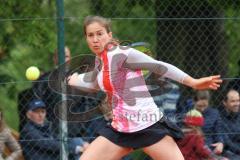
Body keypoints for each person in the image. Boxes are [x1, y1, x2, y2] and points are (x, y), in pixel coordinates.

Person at [67, 15, 222, 160]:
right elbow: (95, 82)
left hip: (148, 126)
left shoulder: (123, 54)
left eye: (99, 34)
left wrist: (193, 82)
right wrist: (74, 80)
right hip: (120, 130)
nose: (95, 39)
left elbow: (159, 66)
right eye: (90, 35)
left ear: (109, 35)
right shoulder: (100, 61)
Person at [19, 99, 88, 160]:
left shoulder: (44, 127)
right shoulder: (28, 131)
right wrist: (75, 148)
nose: (40, 115)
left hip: (54, 157)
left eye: (42, 112)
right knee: (76, 147)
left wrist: (82, 143)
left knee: (77, 141)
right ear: (28, 115)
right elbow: (48, 144)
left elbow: (58, 139)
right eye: (36, 112)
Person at [193, 90, 224, 155]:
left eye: (205, 106)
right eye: (199, 106)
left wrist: (220, 143)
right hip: (193, 146)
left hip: (210, 146)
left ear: (208, 102)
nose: (202, 109)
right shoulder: (188, 112)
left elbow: (219, 131)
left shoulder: (214, 113)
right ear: (194, 102)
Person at [219, 89, 240, 159]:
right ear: (224, 103)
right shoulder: (219, 118)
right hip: (229, 152)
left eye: (238, 100)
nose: (237, 104)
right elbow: (227, 143)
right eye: (233, 101)